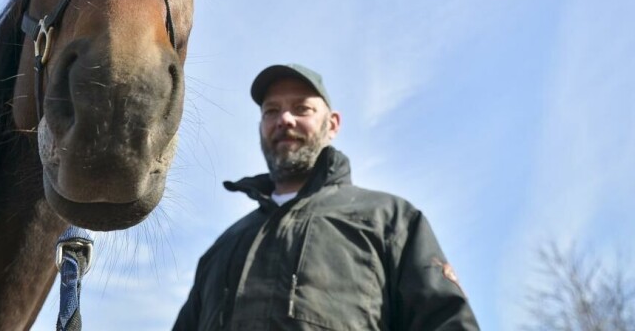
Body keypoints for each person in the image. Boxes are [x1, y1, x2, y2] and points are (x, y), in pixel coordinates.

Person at [173, 63, 480, 330]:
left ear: (332, 124)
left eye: (301, 108)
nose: (285, 119)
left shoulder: (392, 221)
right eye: (271, 110)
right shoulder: (222, 249)